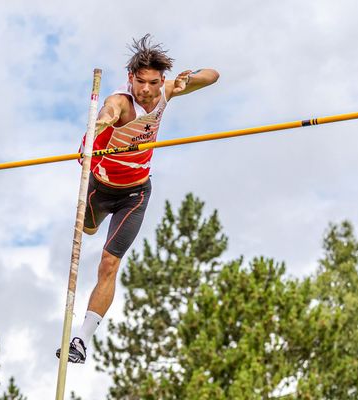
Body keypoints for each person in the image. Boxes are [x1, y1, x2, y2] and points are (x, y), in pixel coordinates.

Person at [57, 34, 219, 363]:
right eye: (141, 82)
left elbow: (213, 76)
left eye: (154, 83)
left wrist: (189, 77)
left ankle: (80, 340)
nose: (146, 90)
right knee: (89, 230)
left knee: (109, 263)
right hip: (100, 189)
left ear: (161, 80)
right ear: (130, 78)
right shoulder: (121, 103)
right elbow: (108, 111)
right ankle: (93, 217)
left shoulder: (167, 90)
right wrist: (102, 123)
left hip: (135, 192)